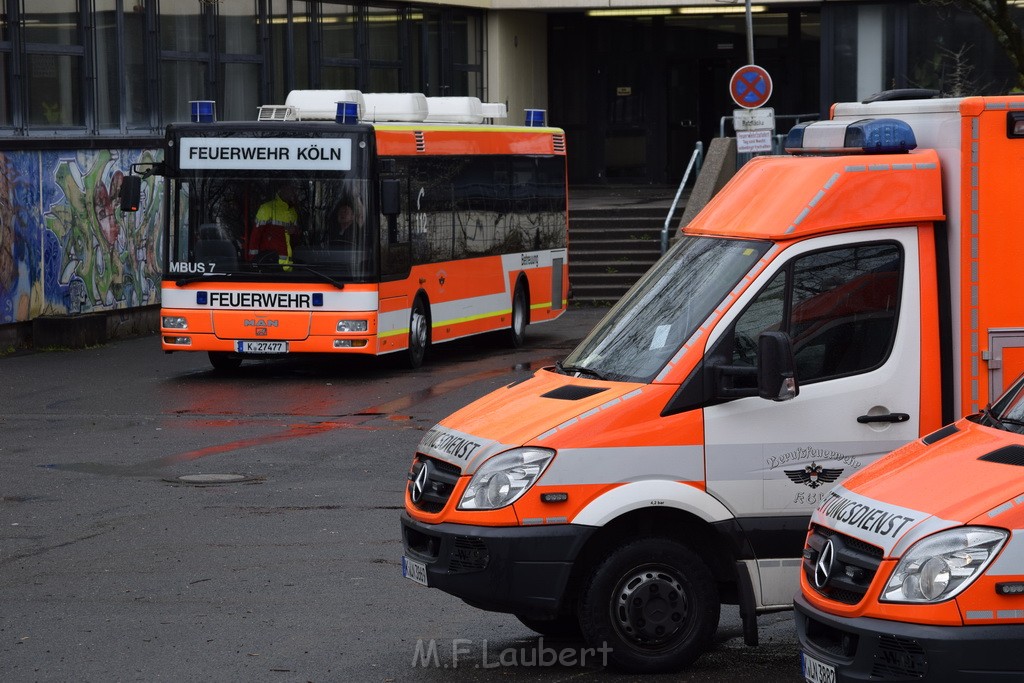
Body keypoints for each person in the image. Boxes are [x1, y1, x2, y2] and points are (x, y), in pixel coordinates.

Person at [248, 183, 300, 266]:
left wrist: (294, 232)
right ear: (282, 189)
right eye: (289, 188)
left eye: (294, 189)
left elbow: (296, 242)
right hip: (269, 265)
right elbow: (255, 238)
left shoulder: (293, 212)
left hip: (289, 268)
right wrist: (254, 262)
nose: (292, 192)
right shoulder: (266, 209)